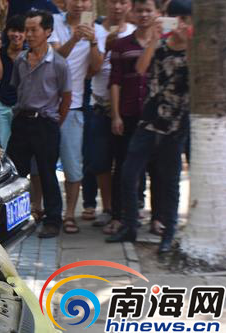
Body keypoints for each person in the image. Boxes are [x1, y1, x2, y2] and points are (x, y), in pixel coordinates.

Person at [107, 0, 192, 255]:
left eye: (185, 19)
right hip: (149, 121)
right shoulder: (161, 45)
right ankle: (130, 226)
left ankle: (169, 233)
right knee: (129, 173)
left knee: (170, 180)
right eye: (176, 18)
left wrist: (188, 42)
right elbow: (141, 68)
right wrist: (156, 39)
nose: (181, 24)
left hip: (175, 125)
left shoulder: (197, 50)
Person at [6, 10, 72, 238]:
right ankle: (15, 220)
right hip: (22, 122)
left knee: (47, 172)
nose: (29, 35)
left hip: (46, 124)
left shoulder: (59, 64)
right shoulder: (21, 61)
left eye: (34, 30)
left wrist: (55, 121)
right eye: (27, 30)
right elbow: (17, 89)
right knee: (16, 173)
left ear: (48, 32)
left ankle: (53, 220)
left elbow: (67, 98)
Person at [103, 0, 161, 235]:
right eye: (140, 11)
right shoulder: (121, 44)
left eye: (149, 10)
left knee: (157, 170)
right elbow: (114, 82)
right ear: (133, 13)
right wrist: (115, 115)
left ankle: (157, 218)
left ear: (156, 13)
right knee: (123, 167)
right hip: (127, 115)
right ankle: (119, 217)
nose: (144, 15)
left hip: (157, 117)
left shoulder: (165, 43)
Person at [48, 0, 104, 233]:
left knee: (73, 167)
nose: (80, 4)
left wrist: (91, 40)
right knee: (43, 166)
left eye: (85, 0)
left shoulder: (98, 31)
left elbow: (97, 68)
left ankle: (69, 214)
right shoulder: (52, 22)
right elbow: (53, 60)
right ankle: (42, 211)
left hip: (74, 107)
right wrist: (74, 39)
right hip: (46, 106)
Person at [86, 0, 135, 228]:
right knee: (101, 162)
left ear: (129, 6)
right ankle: (106, 208)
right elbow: (90, 70)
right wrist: (104, 45)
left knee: (127, 162)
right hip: (98, 105)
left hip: (127, 109)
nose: (117, 7)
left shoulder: (136, 32)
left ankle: (128, 208)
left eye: (123, 2)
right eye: (113, 1)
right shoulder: (93, 30)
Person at [0, 15, 26, 150]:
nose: (16, 35)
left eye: (20, 31)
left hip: (24, 110)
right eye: (13, 30)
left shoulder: (31, 54)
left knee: (22, 150)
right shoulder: (0, 52)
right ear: (7, 32)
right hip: (4, 106)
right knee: (0, 148)